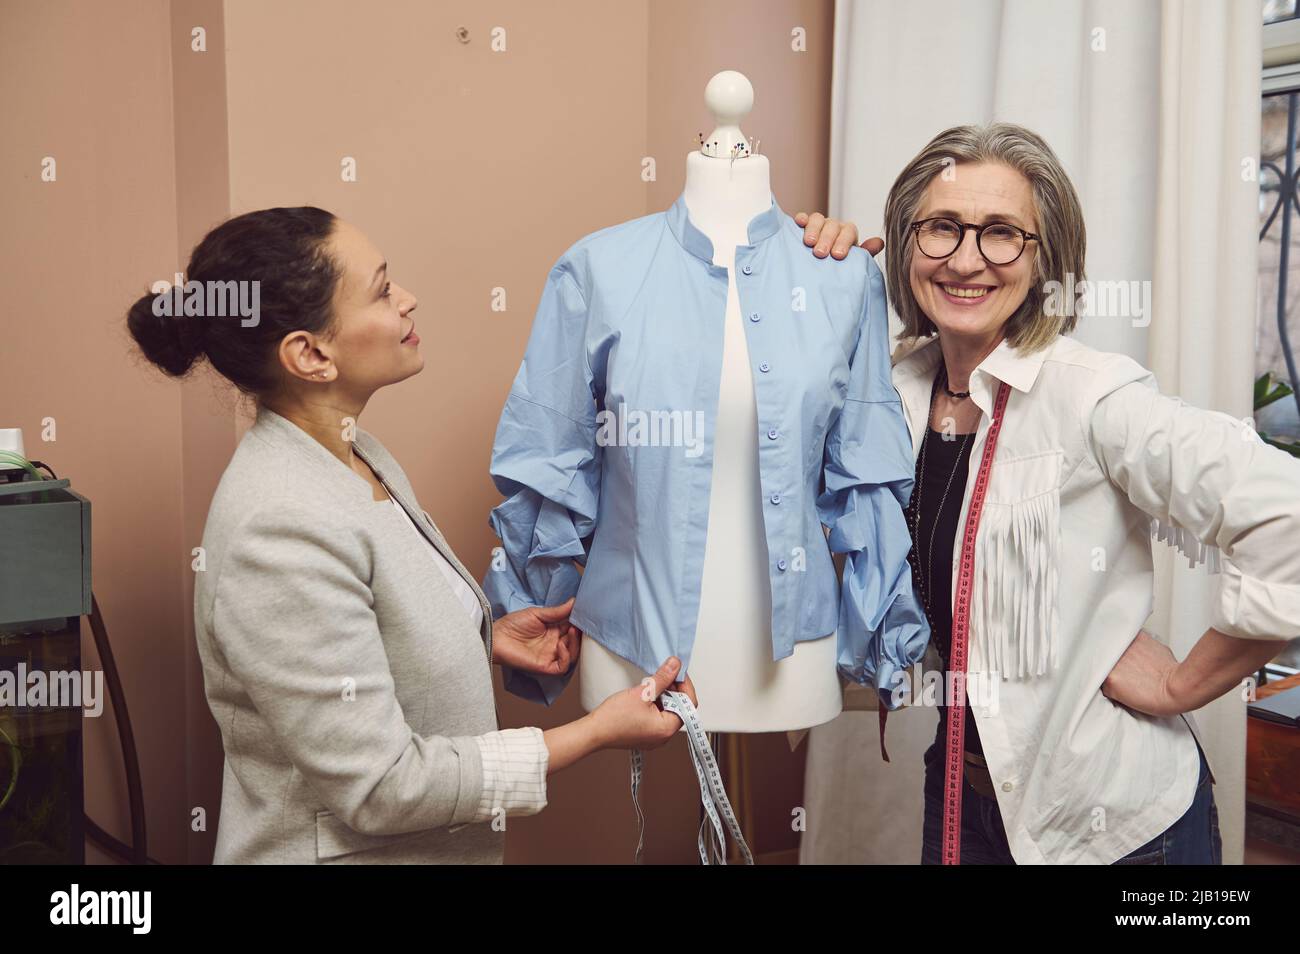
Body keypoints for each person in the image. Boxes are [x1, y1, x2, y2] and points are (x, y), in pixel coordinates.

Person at [125, 207, 698, 863]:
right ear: (311, 354)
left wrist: (480, 636)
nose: (408, 299)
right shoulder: (277, 526)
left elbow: (356, 649)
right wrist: (596, 732)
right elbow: (382, 788)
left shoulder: (355, 453)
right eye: (381, 289)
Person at [796, 122, 1300, 864]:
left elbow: (1286, 511)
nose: (966, 259)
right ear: (907, 244)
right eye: (940, 228)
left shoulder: (1092, 397)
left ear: (1044, 260)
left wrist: (1184, 685)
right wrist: (802, 281)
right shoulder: (889, 395)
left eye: (1001, 233)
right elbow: (771, 477)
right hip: (962, 802)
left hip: (1122, 828)